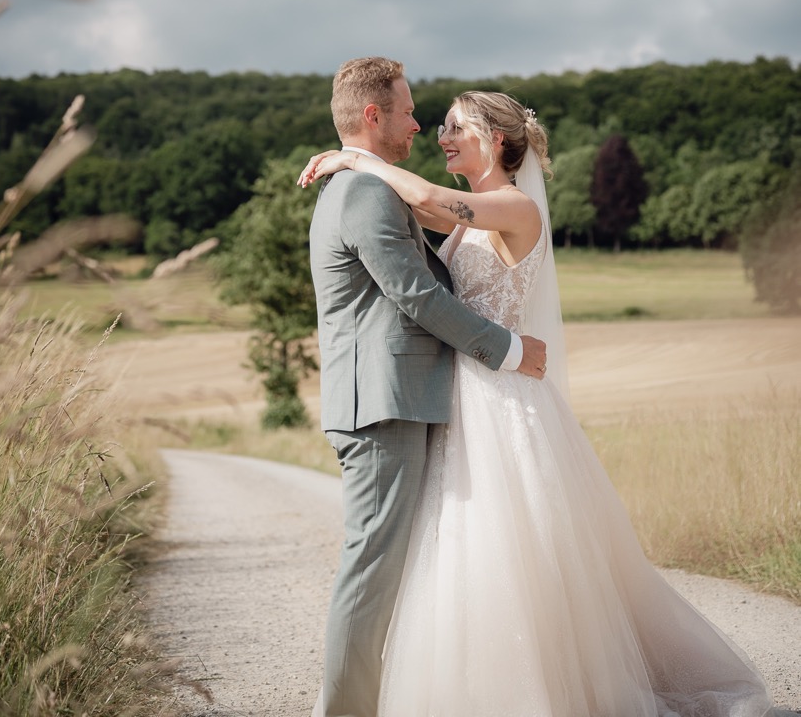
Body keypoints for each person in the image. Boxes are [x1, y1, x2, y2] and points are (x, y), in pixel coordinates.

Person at [300, 90, 776, 717]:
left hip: (501, 393)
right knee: (462, 548)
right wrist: (356, 165)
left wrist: (352, 160)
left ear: (496, 140)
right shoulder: (472, 216)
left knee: (514, 543)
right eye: (437, 125)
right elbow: (420, 222)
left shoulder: (513, 207)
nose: (440, 136)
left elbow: (423, 201)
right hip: (464, 392)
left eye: (455, 128)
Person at [303, 59, 547, 717]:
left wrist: (354, 161)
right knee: (372, 571)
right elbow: (413, 294)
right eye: (411, 111)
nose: (421, 125)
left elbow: (436, 216)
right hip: (382, 405)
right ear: (373, 115)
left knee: (404, 569)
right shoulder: (363, 193)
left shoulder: (372, 187)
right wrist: (509, 348)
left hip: (401, 399)